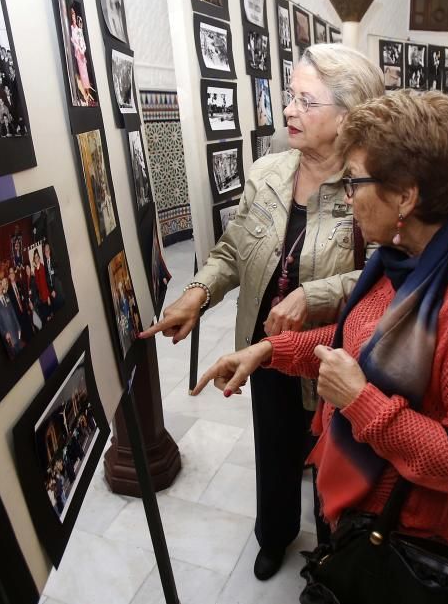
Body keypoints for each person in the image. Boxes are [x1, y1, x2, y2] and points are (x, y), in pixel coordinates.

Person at [193, 90, 448, 565]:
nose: (347, 198)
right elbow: (359, 339)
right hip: (360, 513)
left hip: (405, 534)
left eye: (354, 182)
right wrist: (270, 350)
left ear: (406, 196)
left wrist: (359, 402)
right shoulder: (411, 254)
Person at [140, 43, 384, 581]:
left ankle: (333, 560)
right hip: (267, 351)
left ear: (347, 115)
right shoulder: (268, 172)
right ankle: (274, 534)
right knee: (273, 449)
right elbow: (232, 251)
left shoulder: (371, 185)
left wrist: (314, 295)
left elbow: (384, 273)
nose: (288, 111)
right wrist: (197, 295)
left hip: (334, 359)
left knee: (335, 464)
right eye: (288, 97)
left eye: (304, 100)